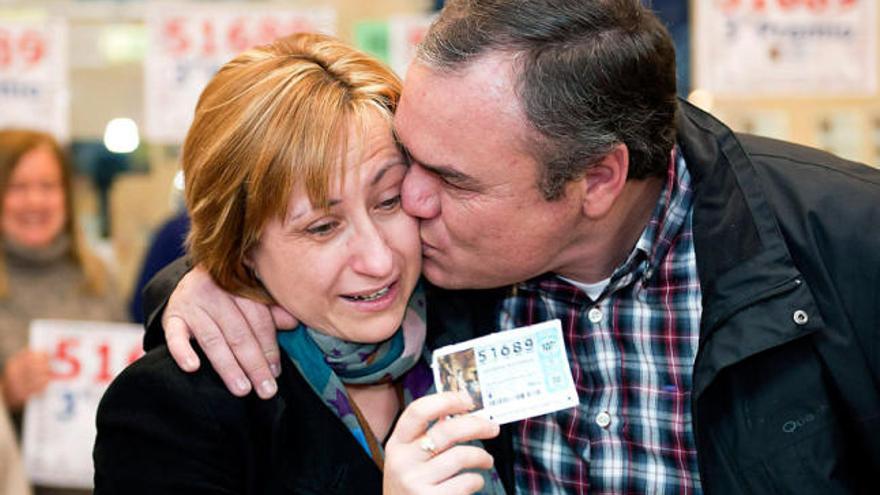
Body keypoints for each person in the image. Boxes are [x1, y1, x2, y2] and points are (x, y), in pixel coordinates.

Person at [145, 0, 880, 493]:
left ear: (597, 179)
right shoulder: (443, 263)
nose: (414, 209)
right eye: (410, 162)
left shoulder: (845, 245)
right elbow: (306, 239)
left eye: (452, 181)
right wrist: (209, 280)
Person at [93, 32, 502, 495]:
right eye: (322, 228)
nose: (379, 258)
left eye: (388, 201)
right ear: (243, 245)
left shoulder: (482, 312)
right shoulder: (173, 411)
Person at [0, 129, 125, 495]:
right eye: (17, 187)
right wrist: (5, 393)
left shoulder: (100, 277)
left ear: (66, 196)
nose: (35, 201)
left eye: (48, 186)